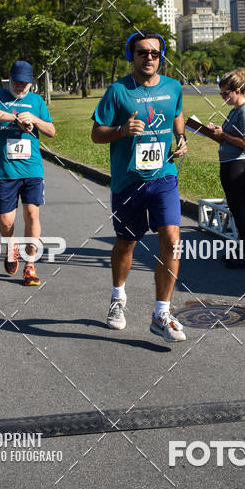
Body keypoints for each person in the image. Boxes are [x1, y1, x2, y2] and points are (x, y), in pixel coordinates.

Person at [91, 31, 188, 343]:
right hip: (128, 181)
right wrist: (120, 130)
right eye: (142, 52)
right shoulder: (118, 91)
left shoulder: (173, 87)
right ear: (131, 55)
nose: (149, 57)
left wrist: (181, 138)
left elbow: (177, 113)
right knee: (126, 244)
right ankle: (118, 297)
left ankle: (161, 312)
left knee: (172, 240)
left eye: (155, 53)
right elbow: (96, 133)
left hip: (164, 176)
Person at [0, 61, 56, 286]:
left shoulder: (37, 101)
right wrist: (15, 118)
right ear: (9, 78)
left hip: (32, 169)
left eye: (26, 83)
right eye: (18, 81)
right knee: (6, 221)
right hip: (5, 170)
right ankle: (11, 246)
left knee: (33, 214)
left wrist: (33, 119)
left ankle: (30, 266)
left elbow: (51, 131)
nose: (22, 86)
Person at [207, 69, 245, 268]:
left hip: (239, 164)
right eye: (221, 94)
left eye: (225, 94)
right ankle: (242, 249)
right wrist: (214, 132)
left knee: (239, 207)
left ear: (237, 90)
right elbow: (226, 138)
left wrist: (224, 135)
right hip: (228, 163)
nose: (223, 98)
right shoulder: (234, 111)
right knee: (235, 207)